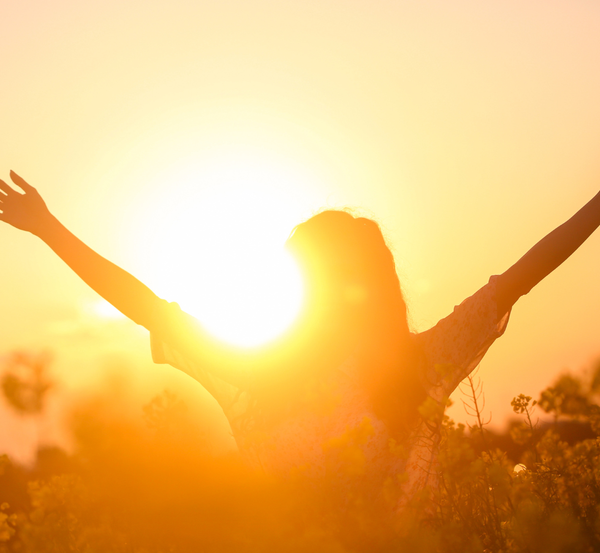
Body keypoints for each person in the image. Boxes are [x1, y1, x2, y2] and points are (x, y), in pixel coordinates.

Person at [1, 170, 599, 506]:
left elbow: (520, 276)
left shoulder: (417, 366)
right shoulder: (267, 373)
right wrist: (49, 230)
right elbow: (148, 308)